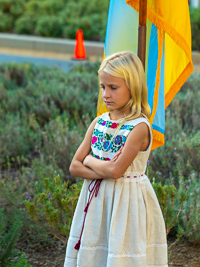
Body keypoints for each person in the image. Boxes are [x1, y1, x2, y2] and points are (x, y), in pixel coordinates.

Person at [64, 51, 168, 267]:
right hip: (97, 201)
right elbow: (74, 166)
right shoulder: (98, 122)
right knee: (97, 251)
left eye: (113, 87)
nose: (105, 94)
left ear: (133, 86)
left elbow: (115, 172)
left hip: (126, 202)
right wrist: (100, 164)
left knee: (123, 253)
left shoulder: (138, 127)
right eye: (103, 87)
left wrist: (90, 160)